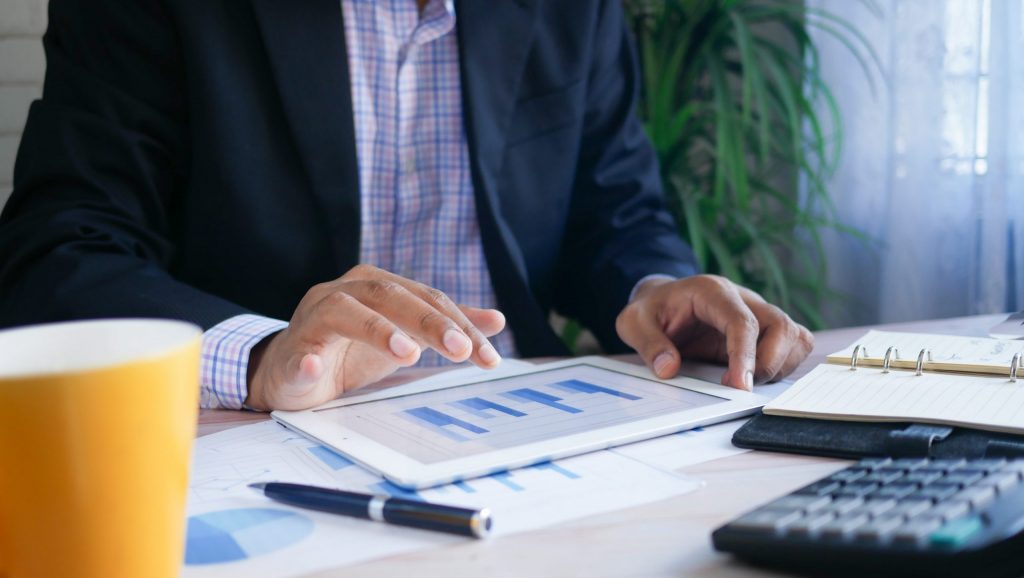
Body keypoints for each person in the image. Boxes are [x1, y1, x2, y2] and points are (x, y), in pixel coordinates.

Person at [0, 0, 812, 411]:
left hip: (520, 425)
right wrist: (265, 358)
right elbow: (59, 253)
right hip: (262, 440)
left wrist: (654, 288)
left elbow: (614, 212)